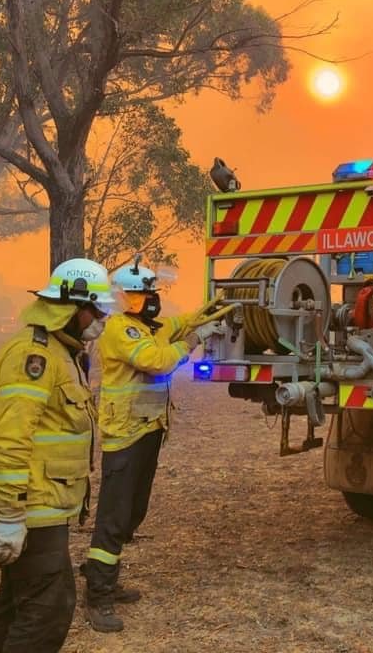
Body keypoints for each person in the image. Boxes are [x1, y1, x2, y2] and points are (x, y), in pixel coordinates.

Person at [0, 258, 114, 653]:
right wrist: (12, 517)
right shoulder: (33, 359)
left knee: (13, 609)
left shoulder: (61, 352)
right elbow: (9, 441)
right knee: (47, 610)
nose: (101, 320)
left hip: (40, 509)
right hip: (29, 513)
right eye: (97, 311)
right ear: (74, 306)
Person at [83, 258, 223, 632]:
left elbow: (177, 324)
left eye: (152, 293)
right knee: (114, 517)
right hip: (125, 434)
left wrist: (212, 309)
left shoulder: (147, 326)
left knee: (132, 512)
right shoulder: (123, 332)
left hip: (146, 430)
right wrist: (196, 339)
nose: (151, 300)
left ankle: (107, 577)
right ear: (127, 299)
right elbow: (158, 361)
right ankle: (98, 595)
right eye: (145, 294)